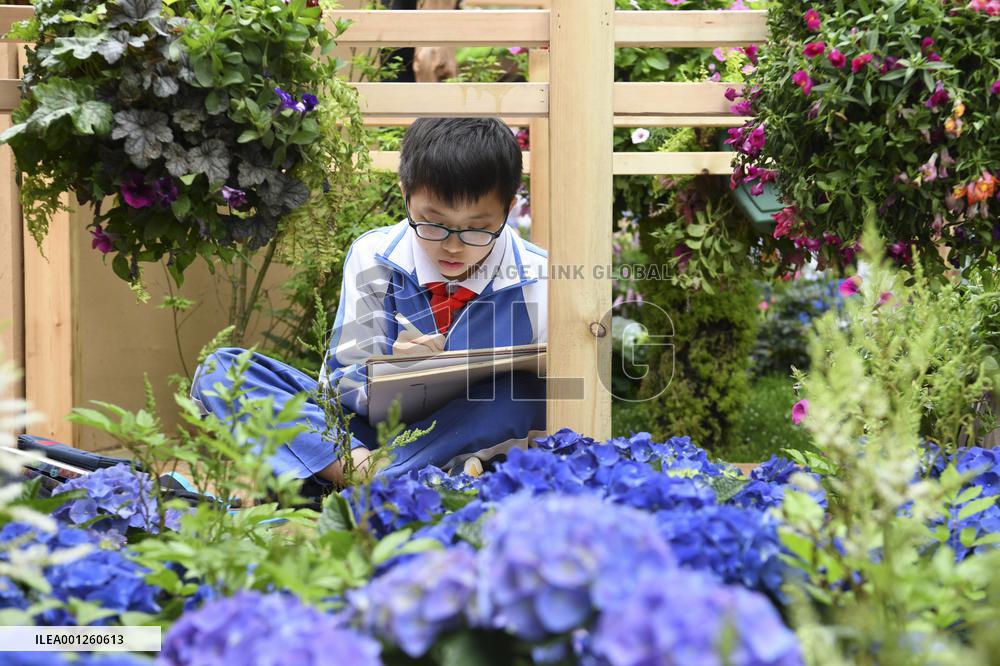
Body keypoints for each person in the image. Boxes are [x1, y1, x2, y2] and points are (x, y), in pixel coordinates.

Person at [190, 117, 548, 488]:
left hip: (468, 431)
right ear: (405, 194)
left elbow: (546, 400)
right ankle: (380, 477)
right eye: (432, 222)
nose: (453, 245)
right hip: (367, 439)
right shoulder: (373, 255)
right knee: (225, 371)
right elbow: (339, 384)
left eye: (477, 227)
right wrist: (392, 371)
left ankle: (354, 479)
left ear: (508, 207)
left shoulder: (539, 275)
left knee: (527, 391)